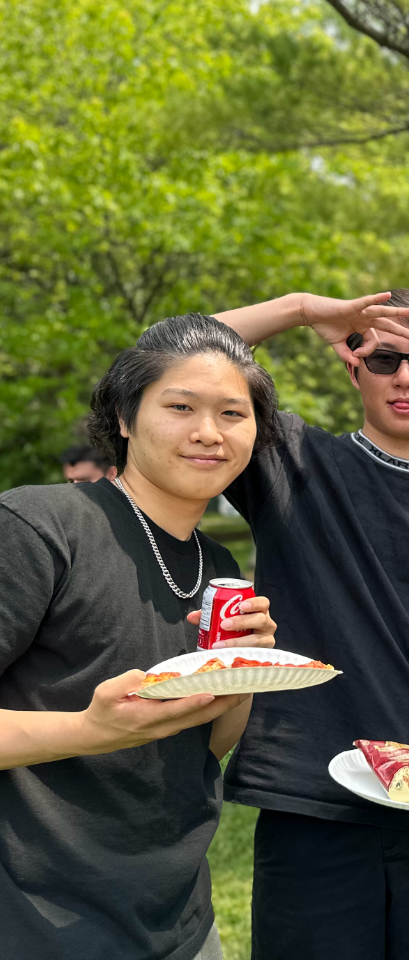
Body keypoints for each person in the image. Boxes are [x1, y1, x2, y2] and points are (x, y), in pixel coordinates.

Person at [211, 290, 409, 960]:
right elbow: (177, 352)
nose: (405, 376)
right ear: (354, 369)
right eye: (386, 359)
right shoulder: (290, 460)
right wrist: (304, 310)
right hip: (311, 795)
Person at [0, 314, 279, 959]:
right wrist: (90, 731)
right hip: (36, 924)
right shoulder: (42, 526)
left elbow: (207, 745)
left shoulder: (220, 566)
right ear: (124, 418)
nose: (208, 432)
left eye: (233, 414)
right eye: (180, 406)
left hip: (179, 920)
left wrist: (239, 677)